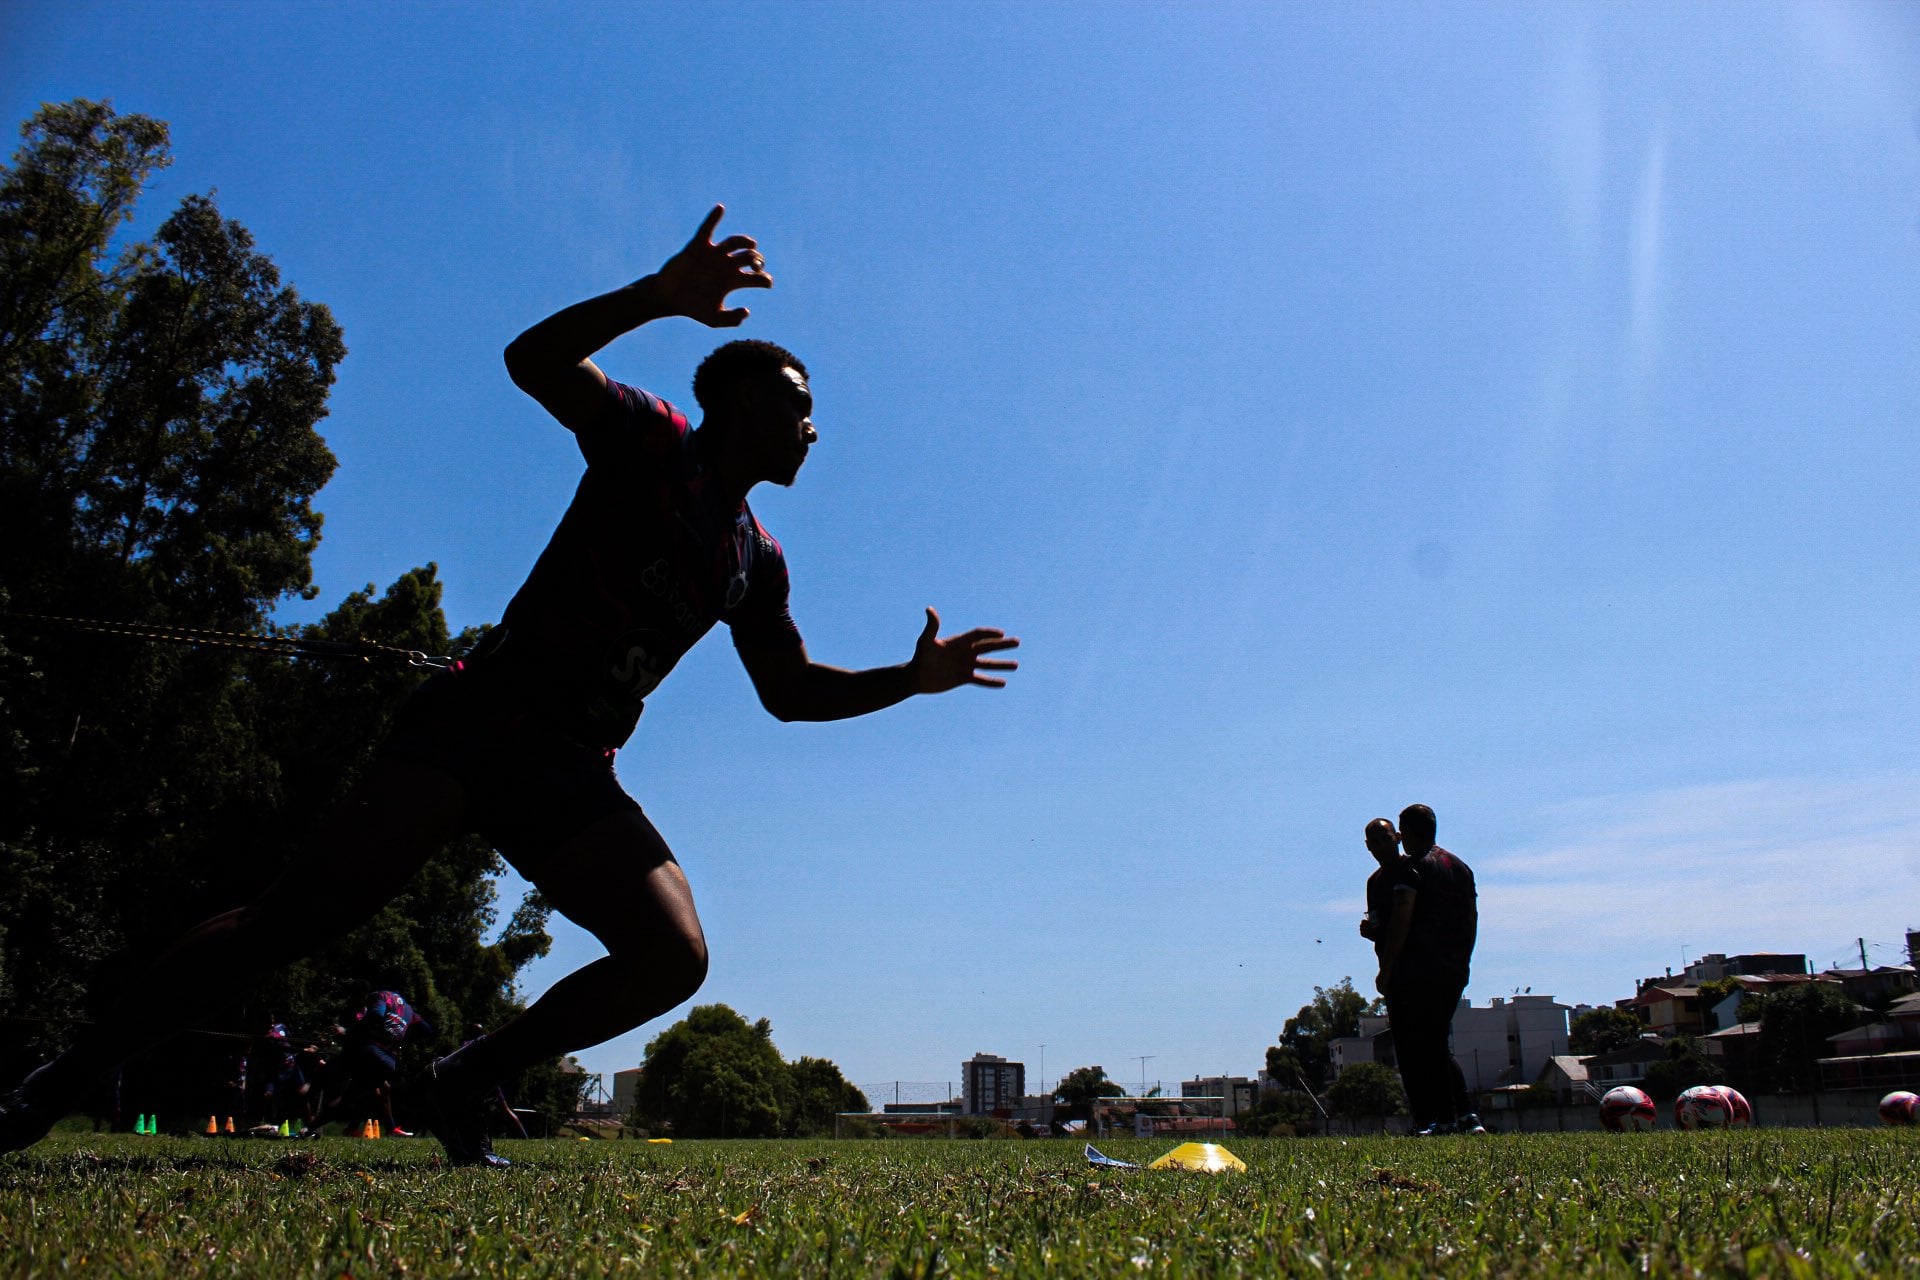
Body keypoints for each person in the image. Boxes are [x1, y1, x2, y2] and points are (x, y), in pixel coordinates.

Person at [0, 206, 1019, 1167]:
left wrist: (912, 680)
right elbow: (532, 360)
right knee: (290, 922)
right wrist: (659, 294)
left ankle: (463, 1076)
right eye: (800, 407)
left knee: (672, 955)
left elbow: (789, 689)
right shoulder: (651, 438)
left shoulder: (756, 556)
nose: (812, 429)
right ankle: (62, 1076)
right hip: (478, 721)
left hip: (569, 767)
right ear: (742, 402)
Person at [1371, 803, 1481, 1136]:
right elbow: (1472, 919)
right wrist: (1464, 960)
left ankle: (1446, 1119)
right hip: (1453, 969)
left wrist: (1386, 968)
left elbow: (1403, 916)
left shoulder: (1413, 869)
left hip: (1418, 969)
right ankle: (1462, 1117)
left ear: (1405, 832)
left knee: (1421, 1046)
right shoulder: (1459, 867)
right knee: (1434, 1043)